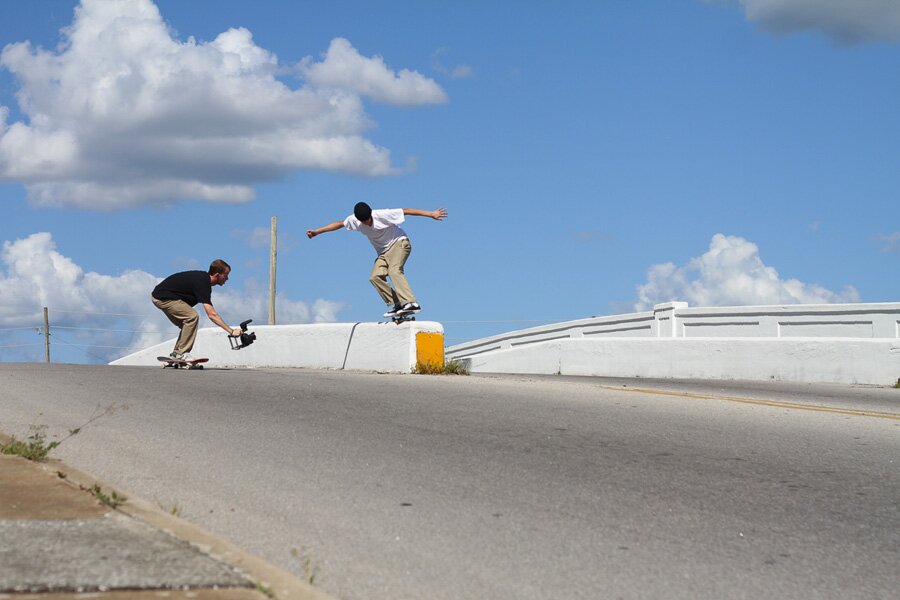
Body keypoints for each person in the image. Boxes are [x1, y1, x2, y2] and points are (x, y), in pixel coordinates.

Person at [307, 202, 448, 317]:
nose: (367, 223)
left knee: (394, 271)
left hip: (399, 243)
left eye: (368, 220)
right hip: (383, 253)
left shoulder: (382, 215)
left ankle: (411, 303)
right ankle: (398, 303)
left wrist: (431, 214)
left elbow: (406, 210)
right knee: (375, 277)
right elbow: (339, 224)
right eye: (363, 221)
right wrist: (317, 231)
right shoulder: (354, 220)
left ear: (371, 214)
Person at [151, 259, 242, 360]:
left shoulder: (203, 281)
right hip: (163, 297)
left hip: (162, 296)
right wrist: (231, 331)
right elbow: (212, 315)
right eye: (226, 275)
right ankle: (181, 353)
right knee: (192, 317)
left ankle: (176, 353)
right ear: (217, 275)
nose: (227, 278)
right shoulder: (203, 283)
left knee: (187, 324)